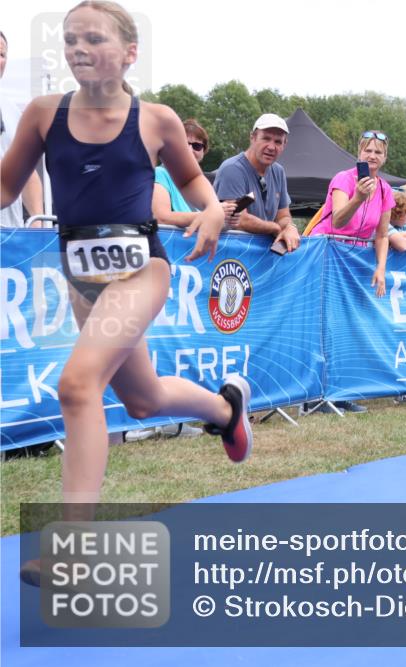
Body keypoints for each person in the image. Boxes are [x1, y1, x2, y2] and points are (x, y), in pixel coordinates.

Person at [1, 1, 253, 583]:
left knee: (77, 383)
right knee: (141, 401)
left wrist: (212, 211)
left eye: (94, 38)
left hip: (143, 271)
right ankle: (224, 409)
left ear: (129, 52)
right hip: (82, 279)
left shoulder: (155, 119)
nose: (79, 48)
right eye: (70, 40)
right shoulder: (42, 115)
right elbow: (5, 186)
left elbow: (192, 180)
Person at [307, 130, 396, 413]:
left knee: (347, 325)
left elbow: (382, 235)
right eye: (368, 150)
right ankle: (316, 396)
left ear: (384, 158)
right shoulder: (343, 180)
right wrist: (358, 197)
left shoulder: (385, 190)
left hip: (355, 262)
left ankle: (340, 391)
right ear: (359, 153)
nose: (372, 156)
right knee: (325, 324)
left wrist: (381, 267)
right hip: (326, 255)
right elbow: (340, 220)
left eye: (378, 152)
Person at [213, 113, 301, 251]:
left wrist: (290, 227)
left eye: (278, 141)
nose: (271, 147)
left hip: (260, 257)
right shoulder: (232, 169)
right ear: (252, 138)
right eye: (266, 138)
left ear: (285, 145)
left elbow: (283, 215)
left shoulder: (278, 171)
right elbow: (239, 220)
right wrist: (275, 228)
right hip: (228, 256)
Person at [0, 31, 45, 228]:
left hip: (11, 238)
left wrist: (38, 223)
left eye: (1, 54)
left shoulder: (11, 110)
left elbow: (27, 174)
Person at [150, 118, 209, 228]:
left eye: (197, 146)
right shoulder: (159, 173)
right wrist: (208, 215)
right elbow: (160, 217)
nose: (190, 150)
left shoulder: (201, 184)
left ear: (203, 151)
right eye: (185, 144)